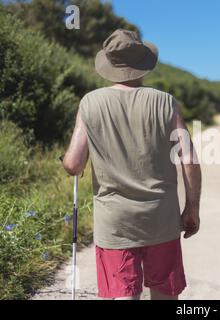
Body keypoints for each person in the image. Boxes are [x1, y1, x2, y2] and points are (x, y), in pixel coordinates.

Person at [62, 29, 201, 300]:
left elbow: (74, 163)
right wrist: (192, 209)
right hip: (160, 217)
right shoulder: (165, 102)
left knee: (123, 294)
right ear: (143, 64)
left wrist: (67, 162)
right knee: (163, 292)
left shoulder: (90, 102)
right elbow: (189, 159)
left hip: (115, 222)